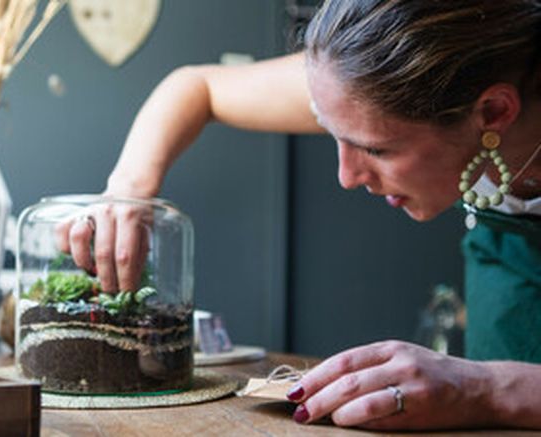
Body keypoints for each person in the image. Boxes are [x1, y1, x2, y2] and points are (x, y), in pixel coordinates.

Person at [58, 0, 541, 430]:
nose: (347, 176)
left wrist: (485, 388)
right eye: (333, 133)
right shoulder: (374, 77)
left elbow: (490, 393)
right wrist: (127, 191)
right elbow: (195, 87)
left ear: (493, 112)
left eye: (376, 149)